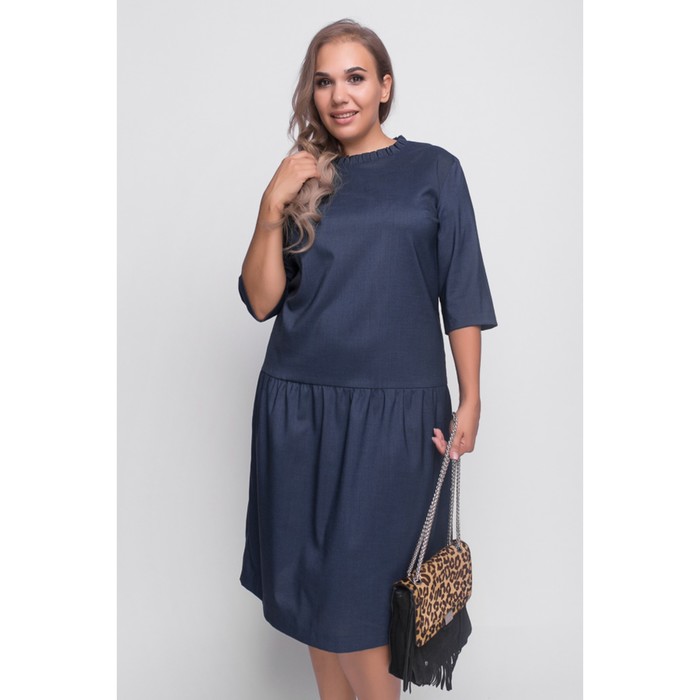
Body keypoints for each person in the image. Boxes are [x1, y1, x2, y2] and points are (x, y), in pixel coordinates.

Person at [237, 18, 498, 700]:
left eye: (355, 77)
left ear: (384, 86)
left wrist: (471, 398)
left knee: (366, 607)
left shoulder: (435, 171)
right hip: (300, 409)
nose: (339, 95)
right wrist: (271, 205)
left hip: (398, 415)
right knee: (321, 600)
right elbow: (261, 301)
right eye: (324, 81)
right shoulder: (303, 178)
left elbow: (462, 292)